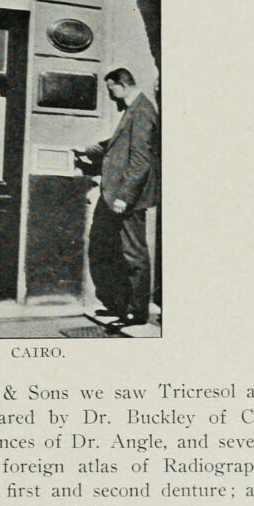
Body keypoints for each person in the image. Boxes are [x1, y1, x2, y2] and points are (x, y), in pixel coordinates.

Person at [74, 67, 160, 331]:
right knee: (116, 251)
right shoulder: (134, 110)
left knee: (133, 253)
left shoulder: (143, 111)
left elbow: (140, 161)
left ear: (121, 84)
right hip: (116, 194)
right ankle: (121, 306)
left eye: (111, 89)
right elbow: (117, 143)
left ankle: (137, 313)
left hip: (126, 197)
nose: (110, 95)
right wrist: (90, 150)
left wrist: (125, 196)